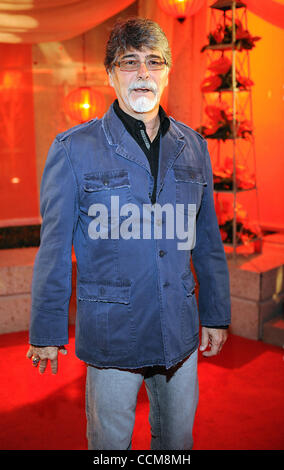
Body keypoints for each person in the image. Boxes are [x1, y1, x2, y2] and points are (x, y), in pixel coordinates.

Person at [27, 18, 231, 450]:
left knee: (177, 443)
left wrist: (215, 313)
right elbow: (54, 249)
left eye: (154, 62)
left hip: (180, 326)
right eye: (130, 62)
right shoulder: (72, 148)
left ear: (168, 72)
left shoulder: (195, 146)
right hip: (112, 331)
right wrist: (47, 331)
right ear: (110, 75)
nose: (143, 73)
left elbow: (209, 240)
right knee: (109, 445)